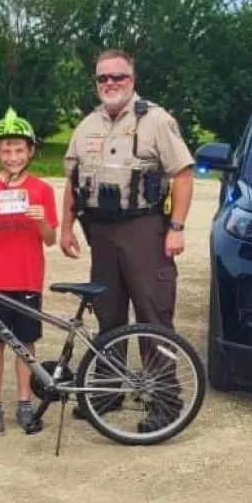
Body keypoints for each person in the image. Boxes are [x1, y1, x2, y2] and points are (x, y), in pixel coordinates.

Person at [59, 49, 194, 434]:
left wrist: (178, 227)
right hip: (100, 230)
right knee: (108, 313)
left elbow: (182, 174)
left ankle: (165, 399)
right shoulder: (86, 126)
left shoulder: (155, 120)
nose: (111, 84)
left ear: (132, 80)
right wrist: (67, 227)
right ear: (96, 83)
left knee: (153, 313)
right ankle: (106, 389)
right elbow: (73, 182)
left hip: (144, 228)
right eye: (103, 79)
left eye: (118, 77)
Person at [0, 107, 58, 435]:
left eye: (19, 149)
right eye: (6, 150)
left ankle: (24, 401)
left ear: (31, 151)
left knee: (25, 342)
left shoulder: (42, 190)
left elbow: (48, 239)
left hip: (28, 278)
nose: (13, 156)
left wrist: (42, 221)